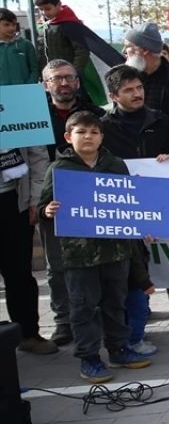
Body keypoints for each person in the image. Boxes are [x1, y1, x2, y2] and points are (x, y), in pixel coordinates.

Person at [39, 111, 152, 383]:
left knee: (116, 302)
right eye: (81, 132)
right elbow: (43, 206)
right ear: (68, 137)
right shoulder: (60, 169)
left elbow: (130, 205)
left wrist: (146, 224)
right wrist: (48, 210)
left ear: (102, 136)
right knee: (84, 307)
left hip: (116, 251)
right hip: (78, 255)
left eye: (93, 132)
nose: (88, 137)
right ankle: (89, 358)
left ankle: (118, 349)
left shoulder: (115, 165)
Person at [100, 65, 169, 348]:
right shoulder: (104, 128)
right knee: (126, 274)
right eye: (129, 90)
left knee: (146, 269)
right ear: (113, 96)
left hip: (158, 205)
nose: (137, 94)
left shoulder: (162, 121)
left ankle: (146, 326)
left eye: (139, 88)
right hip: (121, 210)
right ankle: (126, 334)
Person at [38, 59, 104, 346]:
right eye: (56, 79)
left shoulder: (95, 115)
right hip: (50, 199)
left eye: (69, 78)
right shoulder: (35, 116)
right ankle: (64, 320)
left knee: (99, 260)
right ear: (45, 84)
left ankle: (99, 316)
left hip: (92, 197)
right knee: (57, 265)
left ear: (77, 82)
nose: (63, 83)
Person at [1, 138, 53, 354]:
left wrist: (36, 199)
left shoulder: (18, 106)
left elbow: (38, 155)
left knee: (19, 271)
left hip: (13, 200)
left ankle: (28, 334)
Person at [33, 0, 89, 73]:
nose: (44, 12)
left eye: (48, 9)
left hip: (68, 76)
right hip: (49, 76)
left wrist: (73, 74)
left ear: (59, 5)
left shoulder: (70, 24)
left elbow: (81, 52)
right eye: (41, 9)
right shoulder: (40, 26)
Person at [0, 7, 40, 85]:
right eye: (6, 25)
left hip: (24, 91)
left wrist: (29, 85)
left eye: (14, 24)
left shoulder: (25, 44)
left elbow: (35, 69)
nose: (11, 28)